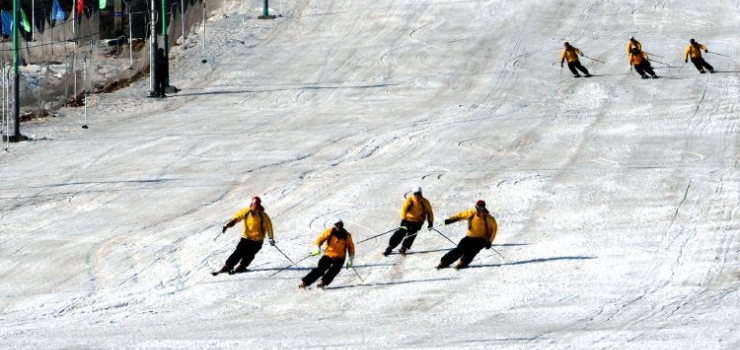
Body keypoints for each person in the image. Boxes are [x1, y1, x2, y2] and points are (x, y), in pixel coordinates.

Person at [215, 196, 275, 274]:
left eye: (257, 205)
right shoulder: (246, 212)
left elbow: (269, 227)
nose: (255, 206)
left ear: (259, 205)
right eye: (254, 204)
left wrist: (271, 238)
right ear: (252, 204)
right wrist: (227, 225)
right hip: (246, 238)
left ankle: (242, 266)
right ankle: (228, 266)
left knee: (250, 254)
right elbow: (236, 218)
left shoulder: (263, 215)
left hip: (258, 240)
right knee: (239, 252)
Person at [436, 200, 497, 270]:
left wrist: (489, 241)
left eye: (480, 208)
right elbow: (461, 216)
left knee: (472, 250)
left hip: (482, 239)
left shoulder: (489, 218)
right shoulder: (472, 213)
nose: (478, 210)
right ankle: (444, 262)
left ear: (483, 208)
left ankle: (462, 262)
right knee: (460, 249)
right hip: (470, 236)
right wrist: (450, 220)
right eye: (477, 207)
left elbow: (494, 230)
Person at [300, 218, 356, 289]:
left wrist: (351, 258)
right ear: (335, 225)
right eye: (337, 225)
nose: (339, 227)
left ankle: (323, 282)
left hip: (340, 257)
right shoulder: (329, 231)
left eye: (340, 225)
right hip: (329, 254)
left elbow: (351, 246)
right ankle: (305, 282)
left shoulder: (347, 235)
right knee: (321, 269)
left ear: (342, 225)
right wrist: (317, 247)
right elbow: (320, 239)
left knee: (334, 270)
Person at [383, 187, 434, 256]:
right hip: (407, 220)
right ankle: (390, 247)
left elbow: (429, 212)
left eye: (419, 194)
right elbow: (404, 209)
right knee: (401, 232)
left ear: (421, 194)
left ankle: (404, 247)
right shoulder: (409, 200)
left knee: (412, 233)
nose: (417, 196)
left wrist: (430, 222)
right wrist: (403, 219)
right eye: (416, 194)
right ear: (413, 194)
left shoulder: (425, 202)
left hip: (418, 221)